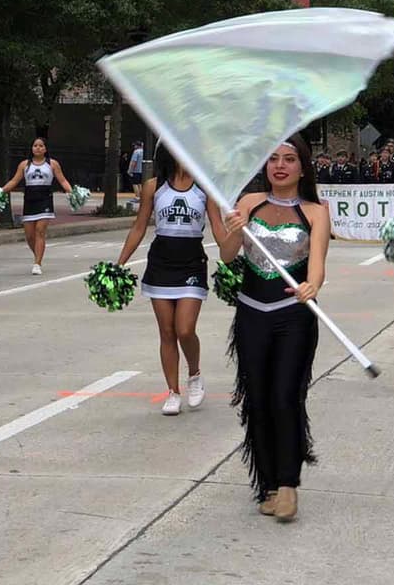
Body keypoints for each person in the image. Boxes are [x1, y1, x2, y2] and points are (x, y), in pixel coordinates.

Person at [220, 135, 332, 521]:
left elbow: (317, 263)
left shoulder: (316, 211)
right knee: (258, 399)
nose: (279, 166)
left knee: (286, 396)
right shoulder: (250, 204)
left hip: (294, 316)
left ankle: (288, 485)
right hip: (251, 314)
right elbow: (227, 253)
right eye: (272, 159)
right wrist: (233, 226)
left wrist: (311, 285)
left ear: (303, 167)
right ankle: (266, 483)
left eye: (288, 159)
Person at [114, 144, 227, 415]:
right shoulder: (154, 186)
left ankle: (195, 374)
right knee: (166, 331)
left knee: (185, 329)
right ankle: (173, 392)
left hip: (191, 262)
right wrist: (119, 264)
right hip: (161, 263)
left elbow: (218, 228)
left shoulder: (204, 187)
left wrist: (233, 256)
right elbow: (140, 226)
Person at [0, 137, 74, 275]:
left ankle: (37, 263)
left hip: (45, 199)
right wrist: (0, 191)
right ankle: (38, 255)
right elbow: (14, 181)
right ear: (32, 148)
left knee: (40, 231)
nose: (38, 148)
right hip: (29, 200)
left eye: (41, 146)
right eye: (35, 145)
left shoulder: (52, 164)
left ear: (45, 149)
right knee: (29, 235)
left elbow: (62, 180)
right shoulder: (24, 165)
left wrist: (72, 192)